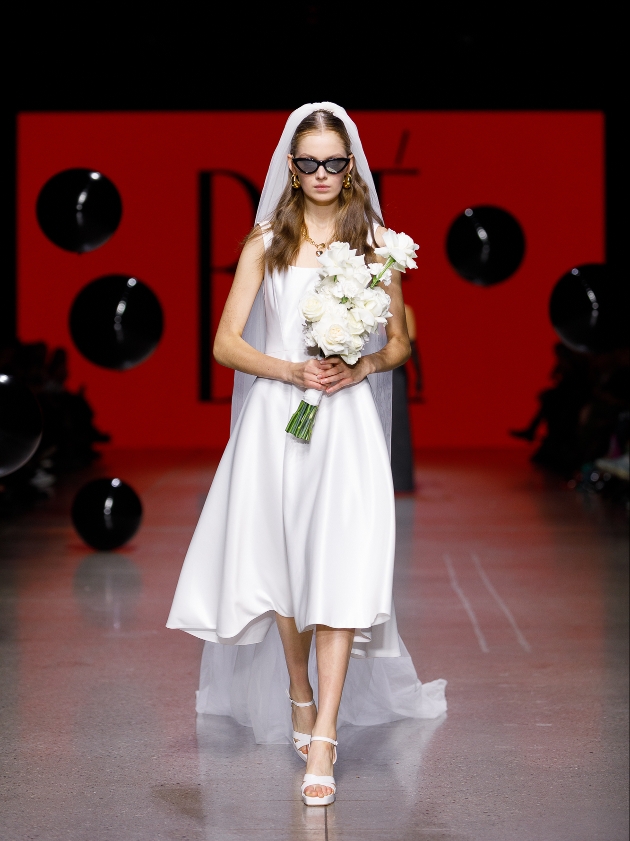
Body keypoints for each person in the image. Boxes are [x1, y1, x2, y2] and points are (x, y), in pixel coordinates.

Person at [167, 103, 446, 806]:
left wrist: (361, 364)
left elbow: (403, 341)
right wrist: (291, 369)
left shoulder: (380, 242)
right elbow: (225, 342)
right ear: (291, 169)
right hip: (279, 420)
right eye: (309, 162)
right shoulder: (265, 242)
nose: (322, 173)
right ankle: (298, 688)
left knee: (340, 564)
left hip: (347, 423)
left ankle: (323, 733)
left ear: (351, 166)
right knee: (285, 569)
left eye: (333, 161)